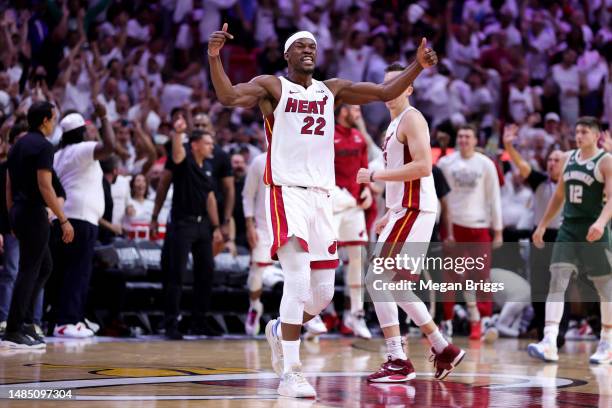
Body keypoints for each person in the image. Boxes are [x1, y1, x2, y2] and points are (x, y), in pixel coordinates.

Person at [208, 24, 437, 398]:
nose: (308, 50)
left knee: (324, 293)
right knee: (297, 280)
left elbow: (384, 91)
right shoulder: (273, 86)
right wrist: (215, 58)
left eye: (312, 45)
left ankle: (281, 328)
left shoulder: (332, 90)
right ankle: (292, 372)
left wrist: (417, 66)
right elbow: (230, 96)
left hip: (321, 198)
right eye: (300, 45)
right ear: (287, 55)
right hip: (287, 192)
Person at [356, 62, 465, 383]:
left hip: (416, 207)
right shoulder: (392, 126)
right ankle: (442, 347)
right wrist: (390, 210)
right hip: (405, 208)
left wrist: (375, 174)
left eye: (398, 83)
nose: (390, 89)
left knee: (376, 280)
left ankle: (398, 359)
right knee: (395, 286)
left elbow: (423, 166)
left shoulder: (412, 118)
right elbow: (404, 176)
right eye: (386, 84)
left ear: (409, 88)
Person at [530, 117, 612, 364]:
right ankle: (549, 341)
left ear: (596, 135)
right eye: (577, 131)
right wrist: (543, 224)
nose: (579, 135)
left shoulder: (605, 161)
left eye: (584, 132)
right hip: (569, 228)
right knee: (557, 279)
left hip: (594, 230)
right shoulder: (568, 159)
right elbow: (558, 196)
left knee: (604, 288)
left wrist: (600, 222)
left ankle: (607, 342)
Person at [2, 101, 74, 349]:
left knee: (44, 266)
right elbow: (45, 186)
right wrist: (63, 219)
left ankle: (22, 323)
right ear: (45, 120)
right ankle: (13, 329)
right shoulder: (43, 146)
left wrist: (12, 214)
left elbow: (9, 185)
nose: (54, 123)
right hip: (33, 213)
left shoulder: (17, 145)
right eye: (53, 118)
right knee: (28, 270)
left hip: (19, 211)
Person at [50, 101, 115, 338]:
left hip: (63, 217)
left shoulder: (58, 154)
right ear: (80, 132)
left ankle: (62, 319)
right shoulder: (83, 149)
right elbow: (110, 146)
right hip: (82, 219)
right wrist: (105, 117)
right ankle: (68, 321)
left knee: (63, 271)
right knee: (78, 271)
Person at [503, 124, 569, 346]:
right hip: (539, 237)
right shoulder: (540, 181)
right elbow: (522, 166)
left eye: (557, 160)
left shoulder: (573, 184)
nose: (552, 163)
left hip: (563, 237)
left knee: (560, 287)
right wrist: (508, 146)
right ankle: (542, 332)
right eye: (550, 159)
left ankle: (559, 332)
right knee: (539, 287)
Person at [436, 124, 502, 342]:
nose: (464, 140)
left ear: (476, 140)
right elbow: (439, 198)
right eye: (461, 136)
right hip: (453, 227)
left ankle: (482, 321)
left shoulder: (486, 164)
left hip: (479, 226)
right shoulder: (445, 163)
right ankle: (446, 322)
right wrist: (438, 227)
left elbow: (494, 198)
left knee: (481, 277)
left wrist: (498, 229)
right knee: (449, 278)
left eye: (468, 136)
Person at [163, 119, 224, 340]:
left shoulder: (207, 168)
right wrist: (178, 132)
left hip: (203, 226)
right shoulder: (184, 161)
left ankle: (198, 321)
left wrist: (216, 227)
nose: (212, 147)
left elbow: (210, 198)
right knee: (176, 275)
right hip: (183, 223)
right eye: (207, 143)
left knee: (206, 272)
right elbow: (177, 154)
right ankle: (171, 323)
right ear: (195, 145)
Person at [332, 104, 372, 339]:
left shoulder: (360, 138)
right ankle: (316, 313)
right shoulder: (329, 135)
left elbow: (365, 168)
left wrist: (366, 189)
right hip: (334, 204)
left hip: (355, 207)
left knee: (357, 260)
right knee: (325, 259)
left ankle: (355, 314)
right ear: (343, 110)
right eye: (354, 108)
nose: (357, 112)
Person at [0, 122, 43, 338]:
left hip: (29, 221)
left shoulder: (37, 167)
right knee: (12, 272)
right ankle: (7, 320)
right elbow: (6, 197)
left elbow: (58, 191)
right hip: (13, 224)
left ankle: (31, 321)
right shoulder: (6, 166)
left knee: (36, 270)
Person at [242, 151, 273, 336]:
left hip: (291, 226)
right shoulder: (259, 161)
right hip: (263, 227)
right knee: (256, 273)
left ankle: (303, 318)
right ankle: (254, 308)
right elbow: (247, 195)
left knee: (299, 273)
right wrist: (249, 225)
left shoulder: (295, 157)